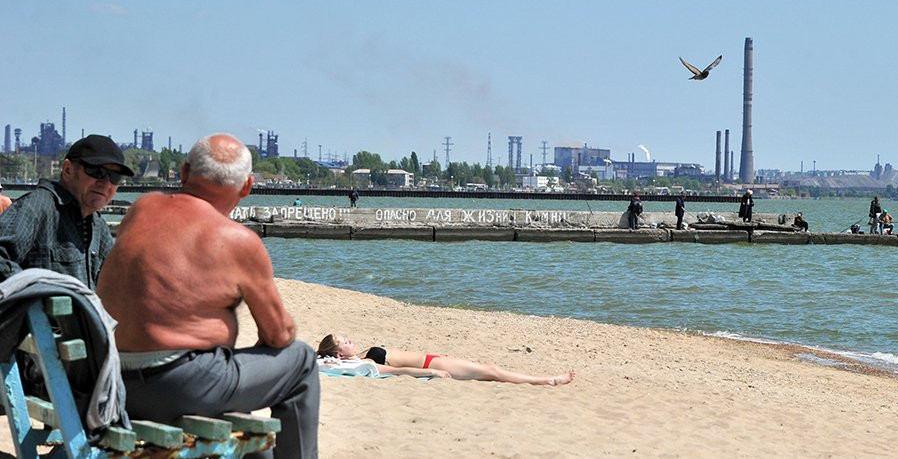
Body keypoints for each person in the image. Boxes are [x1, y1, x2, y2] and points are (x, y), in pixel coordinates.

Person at [96, 133, 319, 459]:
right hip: (185, 386)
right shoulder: (238, 240)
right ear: (246, 187)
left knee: (255, 444)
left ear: (184, 172)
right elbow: (279, 335)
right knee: (301, 361)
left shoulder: (141, 210)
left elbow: (122, 295)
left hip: (117, 380)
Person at [0, 134, 133, 289]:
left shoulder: (97, 226)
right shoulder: (37, 208)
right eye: (96, 171)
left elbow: (118, 280)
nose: (105, 183)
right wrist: (37, 296)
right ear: (68, 170)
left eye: (115, 177)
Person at [316, 334, 574, 386]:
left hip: (432, 359)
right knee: (491, 370)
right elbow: (398, 371)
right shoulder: (367, 363)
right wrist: (433, 374)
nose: (350, 340)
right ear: (339, 354)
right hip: (431, 365)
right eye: (344, 342)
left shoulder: (360, 356)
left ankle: (546, 379)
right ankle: (547, 380)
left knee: (488, 370)